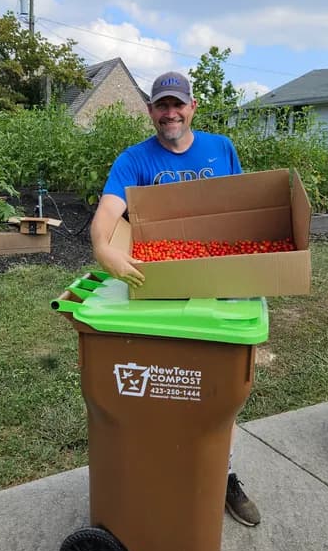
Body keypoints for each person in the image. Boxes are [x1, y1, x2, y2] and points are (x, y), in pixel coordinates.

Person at [90, 70, 260, 527]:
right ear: (150, 111)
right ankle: (161, 476)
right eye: (161, 105)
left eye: (177, 104)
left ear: (192, 107)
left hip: (221, 284)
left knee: (217, 393)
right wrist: (104, 250)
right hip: (160, 287)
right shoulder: (134, 160)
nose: (170, 113)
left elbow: (242, 208)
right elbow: (107, 214)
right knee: (169, 388)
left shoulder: (221, 148)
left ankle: (221, 477)